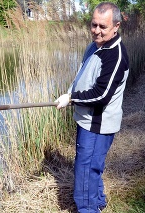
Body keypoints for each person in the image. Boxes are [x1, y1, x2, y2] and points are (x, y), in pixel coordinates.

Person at [55, 2, 129, 213]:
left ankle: (88, 208)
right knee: (90, 167)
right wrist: (70, 94)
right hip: (86, 120)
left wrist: (71, 99)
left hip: (97, 125)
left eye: (102, 27)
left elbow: (101, 95)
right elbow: (82, 76)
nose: (96, 30)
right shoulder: (95, 46)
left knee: (85, 171)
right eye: (93, 24)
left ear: (116, 26)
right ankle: (98, 201)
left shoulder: (115, 56)